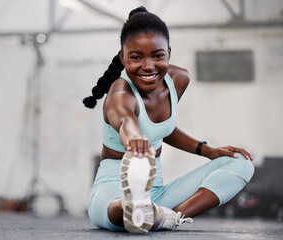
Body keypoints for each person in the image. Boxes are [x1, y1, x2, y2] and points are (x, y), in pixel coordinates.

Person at [83, 6, 254, 234]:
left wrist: (207, 150)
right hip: (111, 191)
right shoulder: (119, 93)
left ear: (169, 52)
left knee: (241, 162)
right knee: (122, 208)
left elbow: (162, 129)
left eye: (158, 56)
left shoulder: (178, 79)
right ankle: (133, 207)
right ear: (123, 57)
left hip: (158, 193)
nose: (148, 66)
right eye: (136, 57)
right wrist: (135, 140)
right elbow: (126, 121)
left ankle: (168, 216)